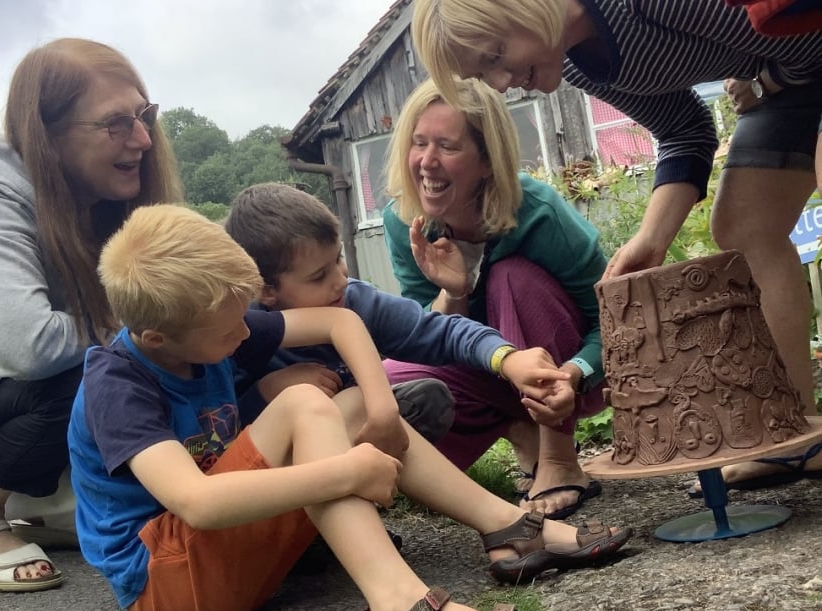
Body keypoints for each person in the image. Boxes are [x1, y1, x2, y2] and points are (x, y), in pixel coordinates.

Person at [68, 205, 631, 611]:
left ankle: (508, 527)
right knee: (303, 404)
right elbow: (198, 503)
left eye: (244, 318)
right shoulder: (117, 384)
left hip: (219, 556)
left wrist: (382, 411)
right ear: (156, 338)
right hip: (170, 582)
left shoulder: (206, 324)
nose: (245, 334)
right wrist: (350, 471)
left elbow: (339, 324)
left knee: (353, 403)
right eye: (229, 331)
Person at [410, 0, 822, 491]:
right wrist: (651, 238)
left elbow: (807, 31)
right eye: (483, 73)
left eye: (496, 55)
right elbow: (684, 129)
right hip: (789, 84)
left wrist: (762, 79)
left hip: (805, 54)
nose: (500, 83)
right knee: (745, 227)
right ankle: (795, 437)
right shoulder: (578, 63)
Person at [0, 38, 181, 593]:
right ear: (46, 135)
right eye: (116, 124)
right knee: (102, 368)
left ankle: (52, 508)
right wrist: (158, 316)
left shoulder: (105, 199)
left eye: (143, 116)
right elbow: (28, 347)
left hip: (23, 405)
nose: (143, 139)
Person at [381, 76, 609, 520]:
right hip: (491, 370)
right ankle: (518, 427)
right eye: (419, 143)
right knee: (380, 382)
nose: (427, 162)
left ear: (487, 161)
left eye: (447, 146)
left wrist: (576, 373)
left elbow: (615, 318)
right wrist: (453, 291)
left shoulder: (538, 211)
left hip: (570, 373)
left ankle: (560, 458)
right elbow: (424, 336)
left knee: (512, 278)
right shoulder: (403, 220)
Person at [225, 182, 577, 459]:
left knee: (427, 401)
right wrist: (266, 392)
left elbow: (439, 333)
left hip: (357, 432)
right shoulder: (240, 332)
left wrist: (507, 358)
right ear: (266, 291)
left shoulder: (356, 300)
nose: (341, 279)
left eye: (338, 259)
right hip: (276, 461)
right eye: (319, 276)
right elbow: (217, 424)